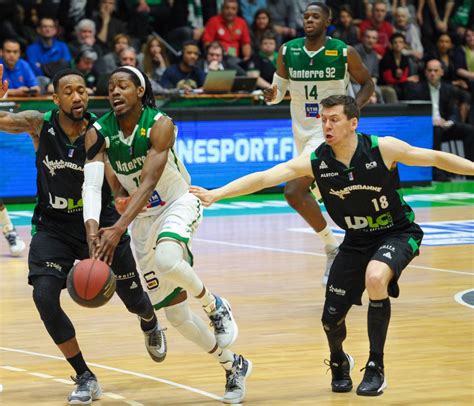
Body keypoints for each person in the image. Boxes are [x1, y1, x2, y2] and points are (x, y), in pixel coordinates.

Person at [190, 94, 474, 397]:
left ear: (353, 123)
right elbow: (265, 177)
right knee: (330, 320)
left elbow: (436, 158)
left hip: (397, 232)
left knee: (376, 278)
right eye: (323, 119)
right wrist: (217, 193)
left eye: (334, 119)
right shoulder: (317, 160)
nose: (327, 125)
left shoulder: (382, 148)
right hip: (355, 240)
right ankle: (339, 359)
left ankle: (376, 366)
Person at [82, 65, 251, 402]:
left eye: (123, 86)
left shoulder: (160, 125)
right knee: (175, 315)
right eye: (111, 87)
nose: (114, 92)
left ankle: (215, 304)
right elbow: (92, 183)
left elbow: (147, 181)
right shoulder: (98, 131)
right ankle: (233, 365)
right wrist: (94, 229)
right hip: (143, 220)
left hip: (177, 202)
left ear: (140, 92)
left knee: (168, 257)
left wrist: (118, 227)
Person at [0, 64, 166, 405]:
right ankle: (84, 375)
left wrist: (123, 199)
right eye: (69, 92)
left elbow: (117, 184)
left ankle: (149, 322)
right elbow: (3, 122)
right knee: (44, 296)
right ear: (55, 97)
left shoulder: (99, 130)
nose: (77, 97)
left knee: (134, 299)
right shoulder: (39, 123)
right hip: (53, 226)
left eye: (82, 91)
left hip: (100, 226)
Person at [263, 2, 375, 285]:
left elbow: (368, 84)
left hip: (328, 132)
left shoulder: (342, 51)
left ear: (328, 21)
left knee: (293, 191)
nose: (309, 19)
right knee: (333, 196)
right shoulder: (288, 50)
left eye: (315, 16)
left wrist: (352, 110)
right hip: (301, 132)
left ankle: (332, 247)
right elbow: (279, 92)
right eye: (306, 16)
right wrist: (271, 95)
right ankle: (358, 245)